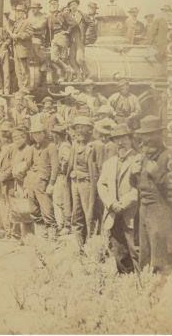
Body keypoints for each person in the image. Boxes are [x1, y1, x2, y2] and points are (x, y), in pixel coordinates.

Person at [133, 115, 172, 275]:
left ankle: (166, 293)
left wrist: (156, 172)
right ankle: (148, 291)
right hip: (144, 209)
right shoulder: (144, 156)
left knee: (161, 256)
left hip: (161, 211)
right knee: (145, 254)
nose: (146, 139)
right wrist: (133, 174)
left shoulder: (170, 156)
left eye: (150, 134)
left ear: (159, 135)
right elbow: (137, 185)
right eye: (144, 135)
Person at [97, 124, 140, 274]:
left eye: (123, 138)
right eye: (117, 139)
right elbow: (101, 184)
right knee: (119, 250)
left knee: (135, 249)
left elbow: (139, 188)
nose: (120, 142)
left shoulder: (138, 160)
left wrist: (123, 204)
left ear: (130, 138)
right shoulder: (109, 163)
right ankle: (125, 283)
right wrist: (111, 203)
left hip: (132, 213)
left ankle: (142, 283)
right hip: (113, 213)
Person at [25, 117, 58, 239]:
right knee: (33, 208)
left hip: (43, 181)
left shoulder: (51, 146)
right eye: (34, 134)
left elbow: (55, 167)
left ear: (44, 133)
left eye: (39, 133)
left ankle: (52, 231)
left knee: (46, 208)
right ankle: (41, 231)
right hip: (32, 181)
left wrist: (52, 183)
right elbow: (29, 165)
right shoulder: (33, 148)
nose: (36, 136)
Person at [66, 116, 96, 245]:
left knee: (90, 214)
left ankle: (92, 244)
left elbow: (95, 171)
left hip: (87, 184)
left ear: (88, 130)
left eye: (82, 128)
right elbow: (70, 165)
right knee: (76, 214)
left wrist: (82, 175)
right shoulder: (74, 145)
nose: (79, 131)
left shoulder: (92, 146)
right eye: (77, 128)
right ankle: (79, 245)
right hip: (75, 183)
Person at [51, 124, 72, 235]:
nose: (53, 136)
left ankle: (65, 225)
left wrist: (62, 166)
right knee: (58, 200)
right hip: (60, 176)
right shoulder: (59, 145)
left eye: (54, 134)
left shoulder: (64, 146)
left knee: (62, 200)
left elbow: (68, 160)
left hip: (63, 176)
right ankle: (62, 224)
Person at [10, 5, 33, 90]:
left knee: (24, 69)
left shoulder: (27, 22)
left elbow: (30, 34)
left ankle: (26, 87)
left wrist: (18, 36)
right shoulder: (16, 23)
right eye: (17, 11)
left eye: (20, 12)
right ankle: (21, 88)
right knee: (18, 70)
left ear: (24, 13)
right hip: (16, 49)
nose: (18, 13)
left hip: (23, 49)